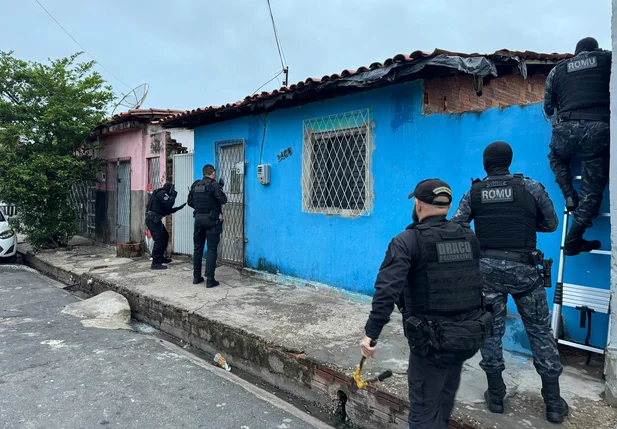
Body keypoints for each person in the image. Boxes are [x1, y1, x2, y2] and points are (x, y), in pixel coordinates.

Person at [452, 141, 568, 423]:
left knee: (491, 332)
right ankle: (553, 404)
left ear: (486, 163)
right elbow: (551, 224)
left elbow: (458, 224)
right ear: (509, 161)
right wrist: (528, 224)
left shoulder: (475, 191)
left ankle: (495, 397)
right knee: (540, 331)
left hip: (487, 272)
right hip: (524, 271)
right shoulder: (530, 188)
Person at [361, 178, 491, 429]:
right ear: (448, 206)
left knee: (422, 411)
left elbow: (387, 290)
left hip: (432, 343)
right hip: (467, 337)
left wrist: (371, 335)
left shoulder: (407, 240)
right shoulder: (469, 236)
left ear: (418, 205)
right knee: (443, 401)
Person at [544, 37, 611, 256]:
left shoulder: (558, 70)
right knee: (592, 185)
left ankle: (569, 196)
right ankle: (574, 237)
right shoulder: (608, 59)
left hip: (566, 128)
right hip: (597, 128)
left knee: (556, 157)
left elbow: (548, 108)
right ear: (595, 49)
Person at [187, 164, 227, 286]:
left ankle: (196, 277)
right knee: (211, 249)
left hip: (198, 219)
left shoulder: (196, 184)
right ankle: (210, 280)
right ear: (213, 173)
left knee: (198, 249)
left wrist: (201, 209)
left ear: (203, 173)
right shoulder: (214, 184)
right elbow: (223, 200)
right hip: (211, 221)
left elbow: (190, 202)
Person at [145, 182, 186, 270]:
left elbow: (166, 210)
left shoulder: (160, 194)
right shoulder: (162, 193)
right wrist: (173, 196)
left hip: (154, 220)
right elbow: (169, 203)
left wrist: (177, 208)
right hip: (153, 220)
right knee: (159, 240)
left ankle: (161, 258)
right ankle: (155, 263)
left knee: (165, 236)